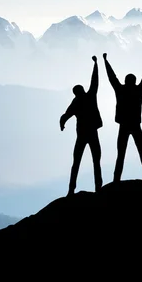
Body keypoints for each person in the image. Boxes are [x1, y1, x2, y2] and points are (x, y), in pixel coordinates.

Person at [103, 51, 142, 183]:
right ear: (134, 81)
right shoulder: (138, 90)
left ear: (126, 81)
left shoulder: (120, 90)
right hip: (135, 125)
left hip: (124, 126)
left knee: (121, 154)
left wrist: (105, 61)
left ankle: (116, 179)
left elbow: (111, 77)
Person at [60, 55, 103, 196]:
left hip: (82, 135)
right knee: (96, 161)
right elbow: (95, 81)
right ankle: (98, 188)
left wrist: (62, 124)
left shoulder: (76, 102)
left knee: (77, 162)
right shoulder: (89, 96)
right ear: (82, 90)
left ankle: (71, 190)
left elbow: (65, 116)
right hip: (92, 133)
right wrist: (96, 64)